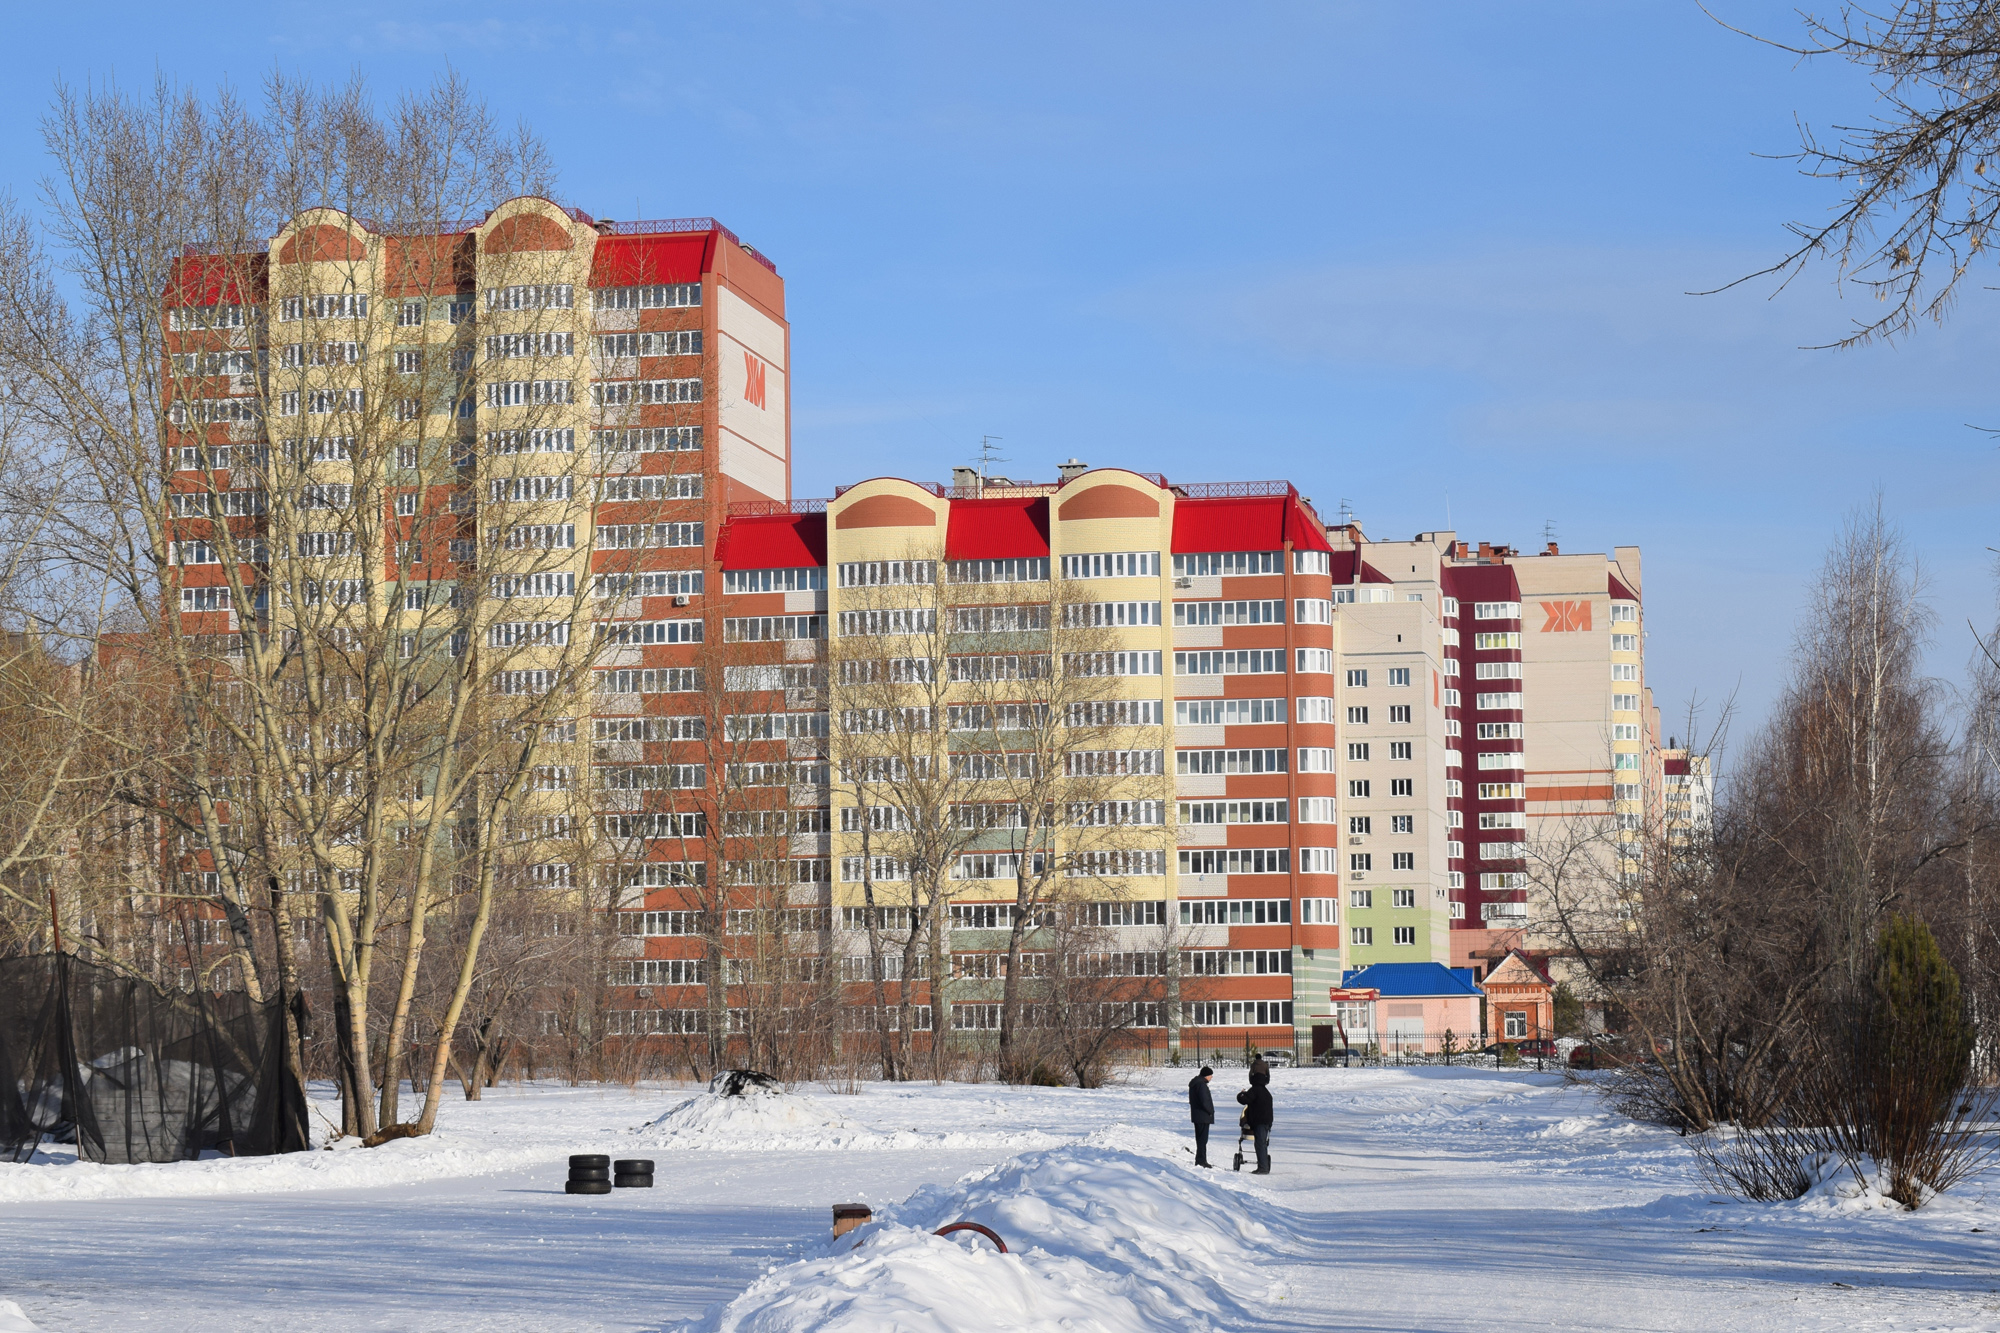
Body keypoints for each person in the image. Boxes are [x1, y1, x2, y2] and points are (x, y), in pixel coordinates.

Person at [1236, 1057, 1274, 1174]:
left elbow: (1244, 1100)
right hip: (1266, 1121)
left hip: (1260, 1121)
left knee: (1260, 1144)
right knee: (1262, 1143)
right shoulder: (1266, 1092)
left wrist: (1241, 1094)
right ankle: (1264, 1166)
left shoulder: (1254, 1090)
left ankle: (1263, 1168)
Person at [1186, 1066, 1215, 1166]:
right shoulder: (1201, 1085)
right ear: (1206, 1075)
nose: (1211, 1077)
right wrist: (1210, 1111)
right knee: (1203, 1139)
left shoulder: (1195, 1084)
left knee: (1200, 1138)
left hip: (1197, 1115)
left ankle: (1200, 1159)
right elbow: (1204, 1101)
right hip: (1203, 1116)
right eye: (1210, 1075)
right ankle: (1201, 1160)